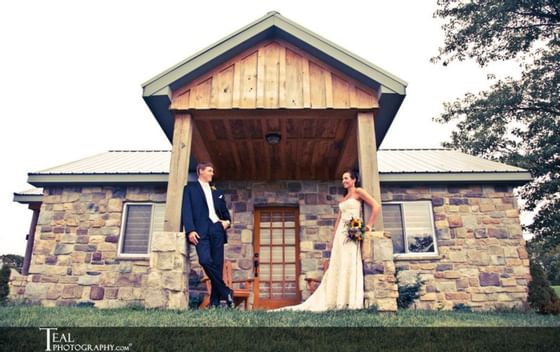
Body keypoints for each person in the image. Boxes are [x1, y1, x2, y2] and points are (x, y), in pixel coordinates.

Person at [273, 170, 380, 311]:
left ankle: (349, 299)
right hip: (341, 235)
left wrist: (368, 226)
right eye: (343, 179)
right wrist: (333, 237)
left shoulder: (359, 192)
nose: (344, 181)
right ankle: (337, 298)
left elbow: (376, 206)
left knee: (349, 263)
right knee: (338, 264)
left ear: (354, 180)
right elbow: (339, 219)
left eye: (346, 178)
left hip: (352, 233)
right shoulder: (344, 197)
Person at [181, 162, 234, 308]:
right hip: (200, 231)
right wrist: (190, 230)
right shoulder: (189, 189)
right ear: (201, 171)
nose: (212, 173)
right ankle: (226, 290)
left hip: (217, 229)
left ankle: (214, 303)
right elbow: (187, 210)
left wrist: (227, 222)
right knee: (204, 260)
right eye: (210, 171)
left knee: (217, 265)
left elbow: (225, 214)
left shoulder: (217, 192)